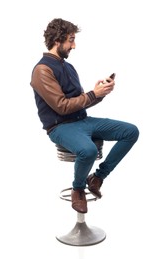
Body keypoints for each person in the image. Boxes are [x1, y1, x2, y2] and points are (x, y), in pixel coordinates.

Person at [30, 18, 139, 214]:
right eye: (71, 40)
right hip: (60, 127)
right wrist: (92, 95)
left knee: (130, 131)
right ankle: (78, 189)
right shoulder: (42, 70)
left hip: (82, 120)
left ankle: (97, 177)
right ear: (58, 40)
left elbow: (79, 100)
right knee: (88, 150)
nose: (74, 45)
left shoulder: (68, 67)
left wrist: (99, 92)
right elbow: (62, 107)